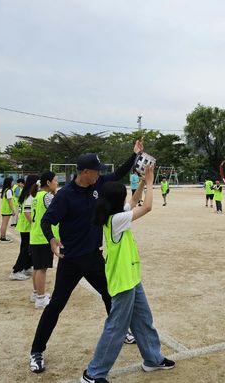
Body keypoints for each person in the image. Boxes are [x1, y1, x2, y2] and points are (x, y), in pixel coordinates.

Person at [28, 141, 143, 374]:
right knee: (56, 305)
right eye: (96, 170)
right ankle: (36, 351)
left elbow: (119, 173)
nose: (100, 173)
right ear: (85, 172)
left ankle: (123, 332)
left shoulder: (98, 183)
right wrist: (51, 239)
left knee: (110, 295)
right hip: (70, 260)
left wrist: (135, 156)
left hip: (93, 257)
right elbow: (46, 220)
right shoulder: (65, 196)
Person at [80, 164, 175, 383]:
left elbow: (133, 202)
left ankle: (152, 359)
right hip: (122, 279)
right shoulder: (115, 220)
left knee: (143, 319)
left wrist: (142, 181)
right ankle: (93, 374)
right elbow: (146, 207)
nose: (128, 200)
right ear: (115, 201)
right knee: (116, 327)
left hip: (131, 276)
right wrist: (151, 183)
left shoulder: (115, 213)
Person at [30, 172, 60, 308]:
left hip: (35, 235)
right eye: (55, 180)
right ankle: (41, 299)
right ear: (48, 183)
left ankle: (36, 293)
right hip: (43, 237)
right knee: (42, 269)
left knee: (37, 267)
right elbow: (58, 212)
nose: (57, 183)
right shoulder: (47, 196)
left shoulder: (37, 195)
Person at [9, 175, 38, 282]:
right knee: (25, 249)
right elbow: (27, 212)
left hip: (25, 226)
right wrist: (34, 224)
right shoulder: (29, 195)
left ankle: (26, 266)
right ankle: (16, 271)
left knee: (29, 249)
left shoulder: (26, 194)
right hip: (27, 226)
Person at [0, 177, 16, 243]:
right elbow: (10, 202)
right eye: (12, 182)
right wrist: (13, 210)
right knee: (5, 224)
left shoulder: (5, 190)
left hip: (4, 209)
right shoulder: (9, 190)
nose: (13, 183)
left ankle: (2, 236)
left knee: (3, 223)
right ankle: (3, 238)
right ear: (9, 182)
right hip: (7, 210)